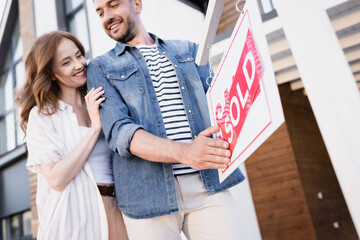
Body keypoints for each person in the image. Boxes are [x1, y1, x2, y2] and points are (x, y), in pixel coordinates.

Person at [87, 0, 246, 239]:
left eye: (114, 5)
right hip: (147, 200)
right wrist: (186, 153)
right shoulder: (100, 67)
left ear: (137, 4)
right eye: (100, 12)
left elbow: (220, 101)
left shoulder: (190, 50)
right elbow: (121, 133)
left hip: (209, 186)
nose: (107, 17)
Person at [15, 31, 128, 240]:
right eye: (66, 62)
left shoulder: (102, 100)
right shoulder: (43, 117)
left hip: (119, 208)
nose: (79, 65)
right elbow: (57, 178)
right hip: (75, 216)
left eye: (79, 55)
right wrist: (95, 128)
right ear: (50, 73)